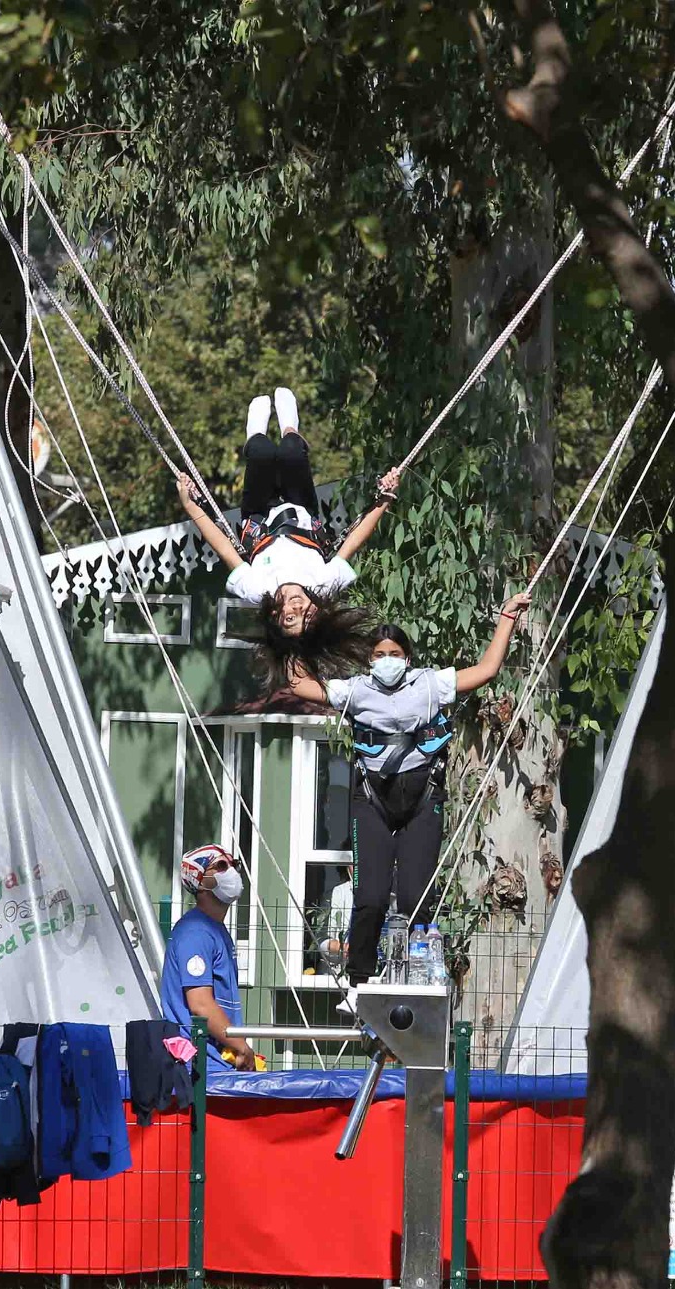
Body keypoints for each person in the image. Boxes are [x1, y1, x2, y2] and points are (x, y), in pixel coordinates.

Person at [289, 591, 532, 991]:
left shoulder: (430, 684)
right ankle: (360, 980)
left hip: (422, 800)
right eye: (380, 653)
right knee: (370, 897)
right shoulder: (355, 690)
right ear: (370, 659)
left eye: (395, 652)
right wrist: (295, 634)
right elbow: (299, 684)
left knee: (416, 895)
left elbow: (487, 669)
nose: (387, 659)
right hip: (372, 802)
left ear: (407, 657)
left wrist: (506, 617)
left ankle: (416, 975)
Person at [176, 387, 399, 692]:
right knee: (292, 450)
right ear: (317, 610)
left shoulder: (256, 589)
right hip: (301, 509)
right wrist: (385, 498)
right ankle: (291, 426)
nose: (294, 607)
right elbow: (355, 540)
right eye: (302, 615)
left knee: (262, 452)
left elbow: (223, 546)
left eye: (288, 617)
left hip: (259, 515)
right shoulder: (323, 582)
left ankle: (254, 430)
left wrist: (190, 506)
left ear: (274, 615)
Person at [160, 842, 260, 1071]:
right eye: (222, 866)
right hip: (200, 1067)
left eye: (234, 865)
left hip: (219, 1061)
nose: (232, 872)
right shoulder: (195, 932)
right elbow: (201, 1004)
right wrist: (242, 1047)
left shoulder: (215, 930)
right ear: (200, 881)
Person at [316, 865, 355, 971]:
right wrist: (343, 948)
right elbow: (320, 939)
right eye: (354, 864)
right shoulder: (335, 893)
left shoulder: (387, 897)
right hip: (334, 972)